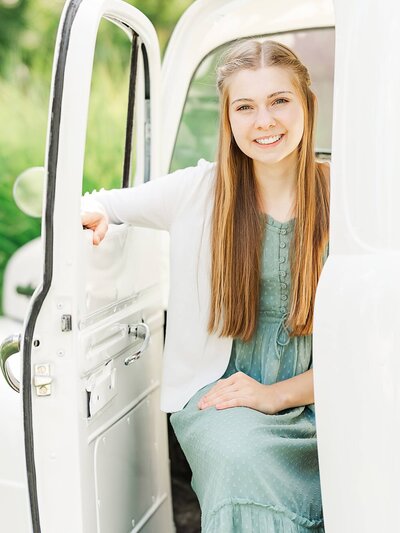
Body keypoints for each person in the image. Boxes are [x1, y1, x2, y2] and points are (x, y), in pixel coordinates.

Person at [81, 39, 329, 532]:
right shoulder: (196, 192)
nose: (265, 121)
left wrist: (278, 394)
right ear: (228, 119)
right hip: (222, 397)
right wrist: (91, 222)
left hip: (329, 396)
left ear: (307, 105)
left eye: (280, 100)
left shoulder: (347, 198)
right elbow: (98, 203)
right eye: (246, 106)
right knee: (241, 460)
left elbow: (377, 342)